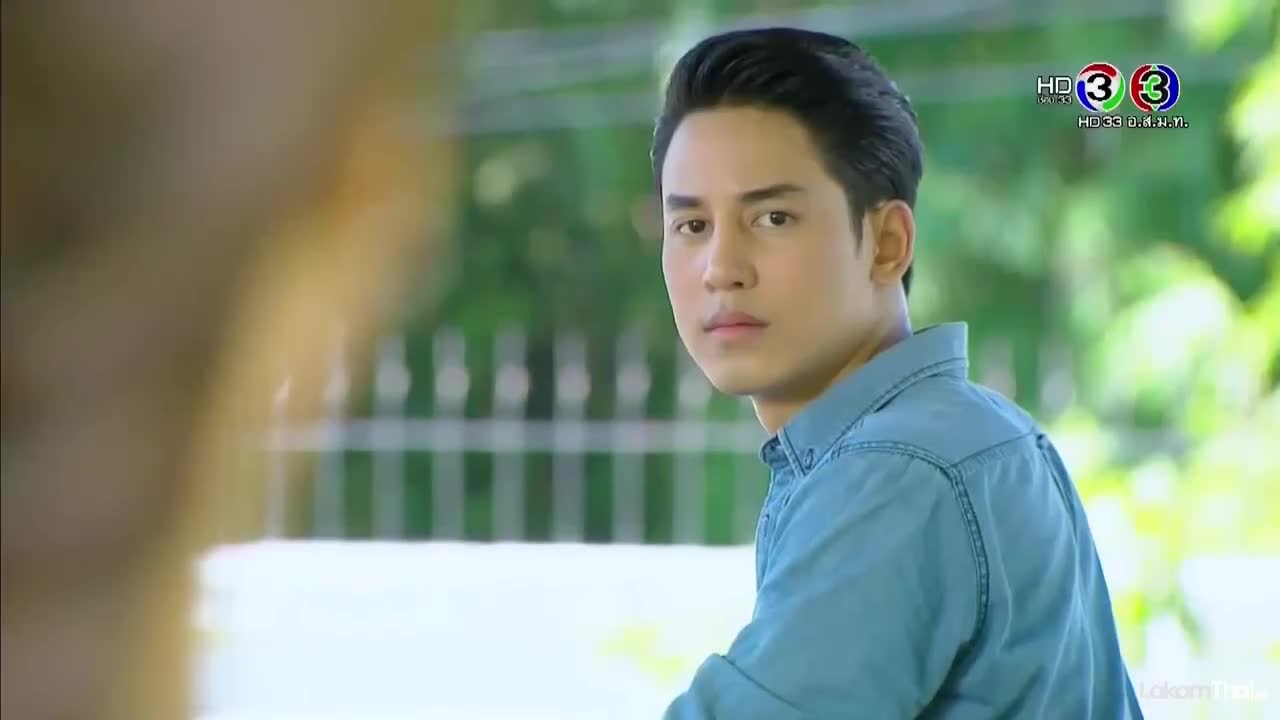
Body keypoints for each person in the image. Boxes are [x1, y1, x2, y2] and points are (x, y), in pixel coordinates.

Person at [652, 28, 1144, 718]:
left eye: (773, 217)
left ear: (887, 243)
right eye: (692, 226)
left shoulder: (901, 468)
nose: (720, 268)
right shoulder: (969, 433)